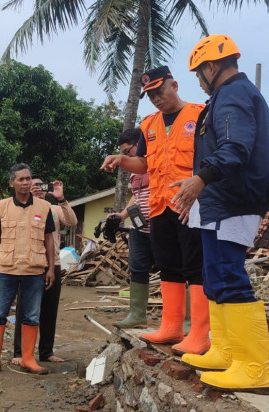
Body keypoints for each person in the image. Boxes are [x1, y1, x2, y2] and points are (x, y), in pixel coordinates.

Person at [172, 34, 269, 394]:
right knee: (214, 275)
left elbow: (235, 148)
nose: (199, 83)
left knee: (230, 277)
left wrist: (200, 179)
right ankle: (225, 350)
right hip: (221, 201)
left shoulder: (233, 95)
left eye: (199, 75)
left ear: (212, 67)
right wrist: (199, 182)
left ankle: (253, 368)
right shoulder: (225, 96)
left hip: (236, 200)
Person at [100, 66, 209, 356]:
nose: (156, 98)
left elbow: (211, 160)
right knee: (168, 265)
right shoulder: (149, 124)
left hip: (190, 204)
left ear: (174, 85)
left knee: (195, 267)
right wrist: (122, 160)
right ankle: (171, 326)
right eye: (150, 95)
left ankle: (199, 332)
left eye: (160, 91)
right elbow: (145, 165)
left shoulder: (200, 115)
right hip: (160, 207)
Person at [0, 163, 55, 375]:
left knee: (31, 316)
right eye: (21, 179)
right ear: (12, 183)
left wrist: (50, 268)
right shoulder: (1, 207)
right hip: (6, 270)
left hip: (34, 270)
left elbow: (48, 239)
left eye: (28, 178)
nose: (26, 182)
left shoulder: (43, 208)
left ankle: (28, 359)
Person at [12, 176, 77, 365]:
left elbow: (72, 221)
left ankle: (46, 351)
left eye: (41, 186)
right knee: (24, 309)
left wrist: (61, 198)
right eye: (34, 186)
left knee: (50, 309)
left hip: (53, 263)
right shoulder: (23, 208)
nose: (38, 189)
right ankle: (19, 352)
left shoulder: (54, 209)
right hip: (30, 264)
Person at [110, 128, 156, 329]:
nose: (127, 156)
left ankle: (186, 320)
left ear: (141, 144)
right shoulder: (134, 172)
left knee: (177, 270)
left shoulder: (157, 162)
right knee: (137, 268)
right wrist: (122, 215)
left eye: (128, 151)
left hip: (162, 226)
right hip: (140, 228)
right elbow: (137, 196)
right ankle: (137, 314)